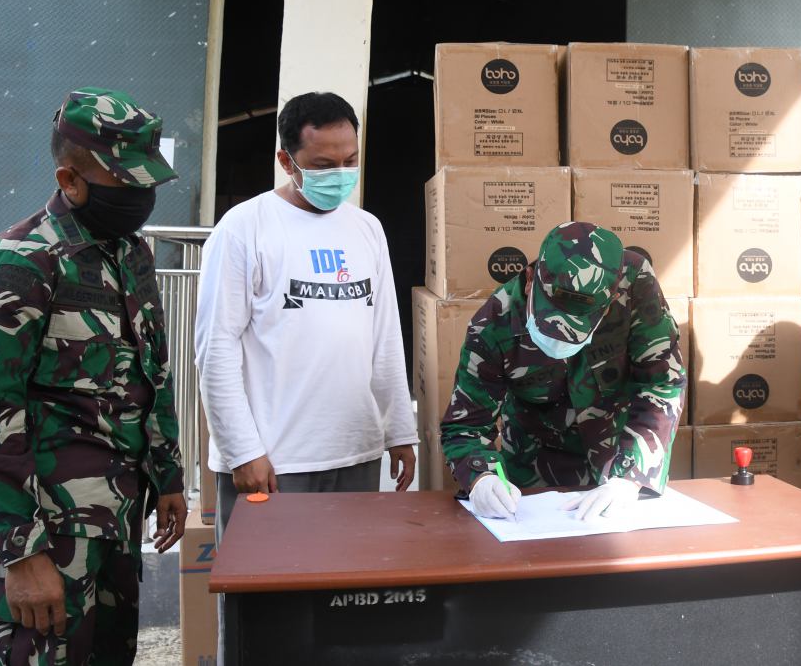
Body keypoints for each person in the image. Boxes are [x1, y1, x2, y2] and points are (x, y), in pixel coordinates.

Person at [0, 88, 186, 665]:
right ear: (70, 180)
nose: (142, 200)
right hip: (48, 532)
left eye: (149, 187)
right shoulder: (18, 264)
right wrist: (21, 554)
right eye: (128, 188)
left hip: (117, 521)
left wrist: (167, 476)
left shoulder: (129, 253)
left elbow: (149, 371)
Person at [194, 92, 417, 660]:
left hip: (355, 457)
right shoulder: (243, 229)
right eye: (322, 164)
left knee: (344, 616)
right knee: (265, 622)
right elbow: (214, 351)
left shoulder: (367, 230)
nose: (340, 174)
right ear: (285, 161)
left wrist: (399, 427)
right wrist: (242, 450)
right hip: (274, 467)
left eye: (350, 160)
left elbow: (385, 336)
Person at [440, 221, 685, 521]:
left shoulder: (633, 285)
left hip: (618, 457)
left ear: (607, 307)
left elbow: (662, 382)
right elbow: (465, 425)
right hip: (532, 467)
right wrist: (481, 478)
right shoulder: (493, 324)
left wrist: (631, 476)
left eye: (575, 331)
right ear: (530, 280)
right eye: (550, 323)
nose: (560, 338)